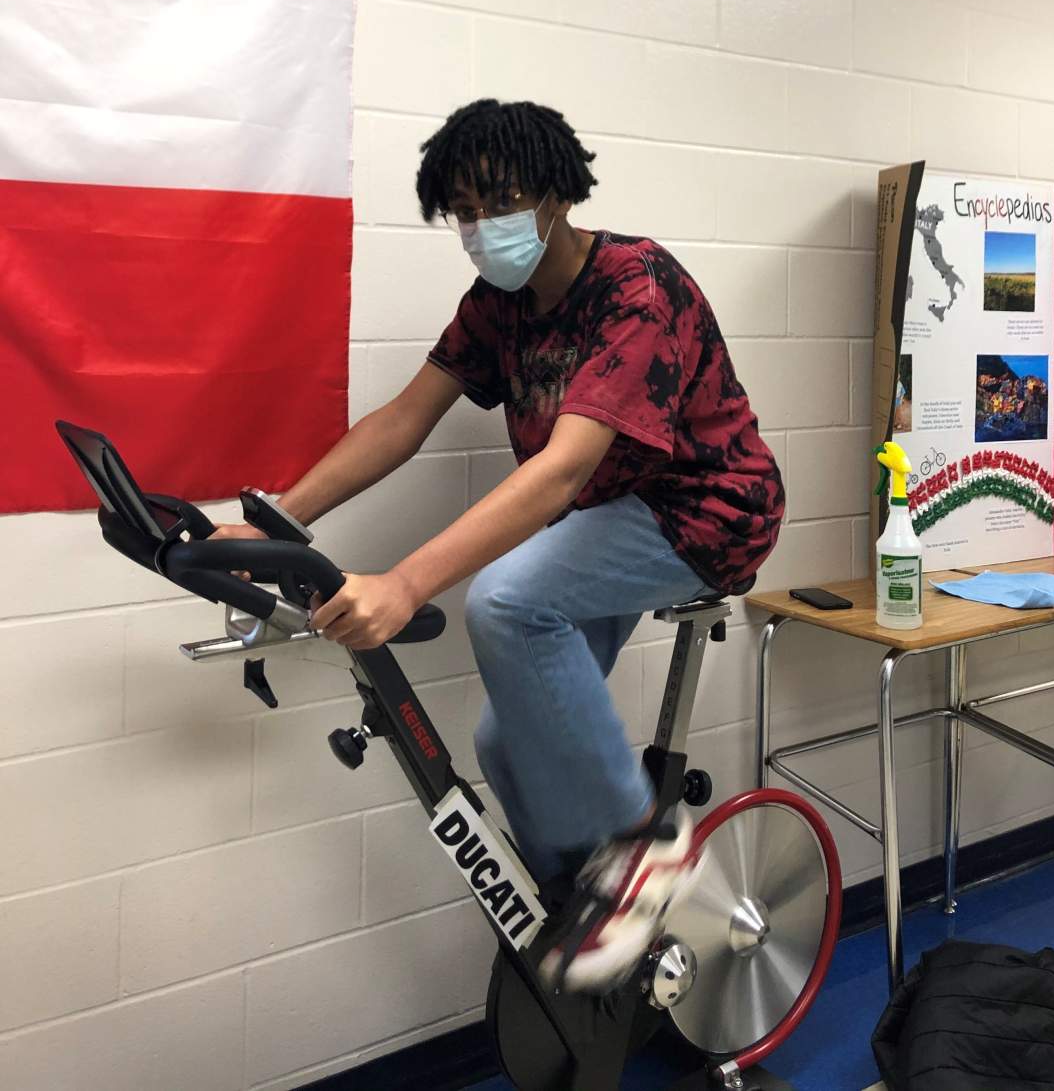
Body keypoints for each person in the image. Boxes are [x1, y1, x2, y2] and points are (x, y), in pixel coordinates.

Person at [215, 99, 784, 992]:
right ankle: (578, 901)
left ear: (556, 195)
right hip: (612, 512)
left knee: (508, 601)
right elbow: (404, 419)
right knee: (507, 743)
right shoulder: (498, 304)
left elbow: (561, 473)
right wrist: (275, 522)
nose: (483, 228)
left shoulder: (637, 286)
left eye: (501, 202)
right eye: (465, 213)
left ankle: (640, 853)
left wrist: (405, 582)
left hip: (709, 510)